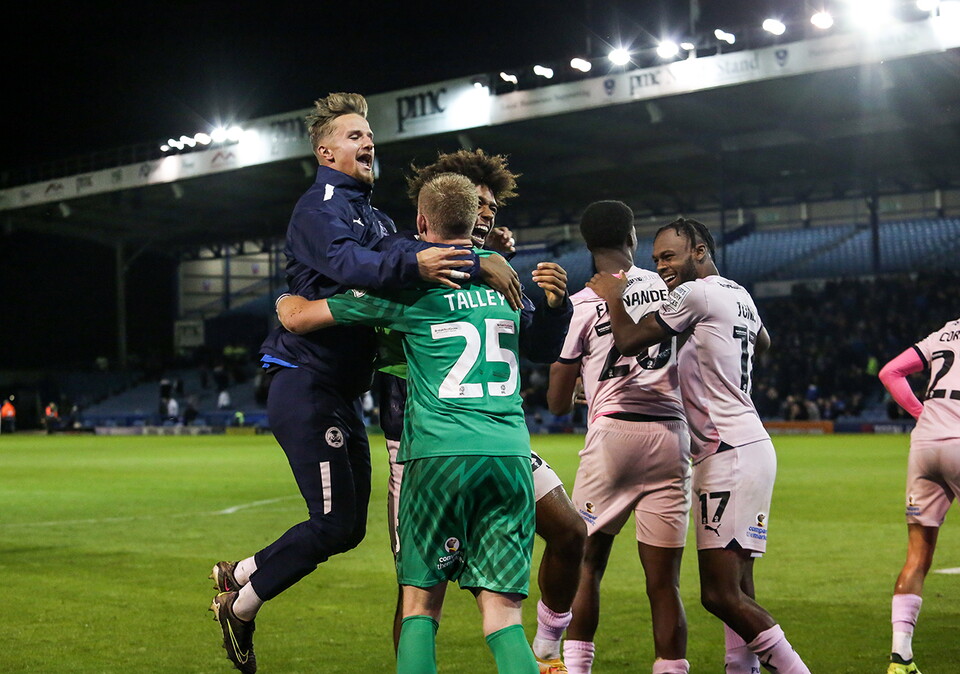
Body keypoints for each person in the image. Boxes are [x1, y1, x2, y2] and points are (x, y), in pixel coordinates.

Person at [208, 93, 521, 674]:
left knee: (347, 529)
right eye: (354, 136)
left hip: (344, 393)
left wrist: (471, 248)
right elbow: (356, 267)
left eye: (369, 134)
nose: (367, 141)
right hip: (306, 382)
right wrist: (466, 263)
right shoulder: (319, 207)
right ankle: (243, 603)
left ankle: (242, 581)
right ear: (325, 151)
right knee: (333, 523)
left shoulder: (372, 216)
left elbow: (404, 249)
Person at [277, 172, 540, 673]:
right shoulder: (507, 287)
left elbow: (302, 318)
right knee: (504, 618)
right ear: (476, 223)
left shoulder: (411, 292)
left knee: (420, 606)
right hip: (509, 454)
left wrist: (284, 303)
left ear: (421, 223)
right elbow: (532, 320)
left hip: (438, 454)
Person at [387, 149, 584, 673]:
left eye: (493, 206)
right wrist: (479, 258)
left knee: (569, 530)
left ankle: (546, 644)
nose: (488, 213)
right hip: (418, 439)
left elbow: (538, 347)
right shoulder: (410, 262)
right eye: (479, 204)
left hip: (486, 433)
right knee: (421, 593)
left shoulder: (494, 271)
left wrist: (553, 307)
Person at [586, 218, 810, 674]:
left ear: (700, 252)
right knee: (741, 588)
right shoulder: (739, 294)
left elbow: (628, 340)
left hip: (726, 452)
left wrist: (611, 296)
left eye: (670, 256)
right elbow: (762, 342)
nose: (662, 266)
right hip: (750, 444)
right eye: (655, 259)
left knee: (718, 595)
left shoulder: (696, 294)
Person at [547, 202, 690, 674]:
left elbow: (556, 404)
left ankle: (577, 668)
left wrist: (583, 379)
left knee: (587, 565)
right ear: (632, 237)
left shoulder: (582, 304)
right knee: (664, 583)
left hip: (613, 433)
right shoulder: (671, 289)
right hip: (672, 435)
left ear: (587, 245)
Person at [878, 316, 960, 674]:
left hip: (925, 443)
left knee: (917, 556)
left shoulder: (945, 331)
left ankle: (901, 657)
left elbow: (890, 373)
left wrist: (920, 413)